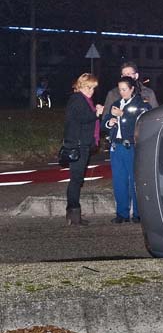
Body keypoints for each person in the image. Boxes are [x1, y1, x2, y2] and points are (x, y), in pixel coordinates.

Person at [102, 77, 151, 223]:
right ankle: (121, 214)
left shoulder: (141, 105)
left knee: (134, 181)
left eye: (124, 89)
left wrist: (123, 116)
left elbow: (142, 124)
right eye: (120, 89)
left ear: (132, 89)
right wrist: (109, 123)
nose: (122, 92)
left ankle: (137, 214)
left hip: (132, 147)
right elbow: (105, 122)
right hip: (116, 147)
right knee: (119, 181)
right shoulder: (116, 104)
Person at [63, 73, 104, 226]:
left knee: (77, 179)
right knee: (76, 180)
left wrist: (94, 111)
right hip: (78, 146)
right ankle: (73, 213)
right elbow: (83, 118)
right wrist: (96, 113)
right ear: (80, 85)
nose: (91, 91)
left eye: (93, 88)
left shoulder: (83, 99)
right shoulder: (77, 99)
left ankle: (73, 215)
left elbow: (85, 117)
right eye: (89, 87)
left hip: (82, 145)